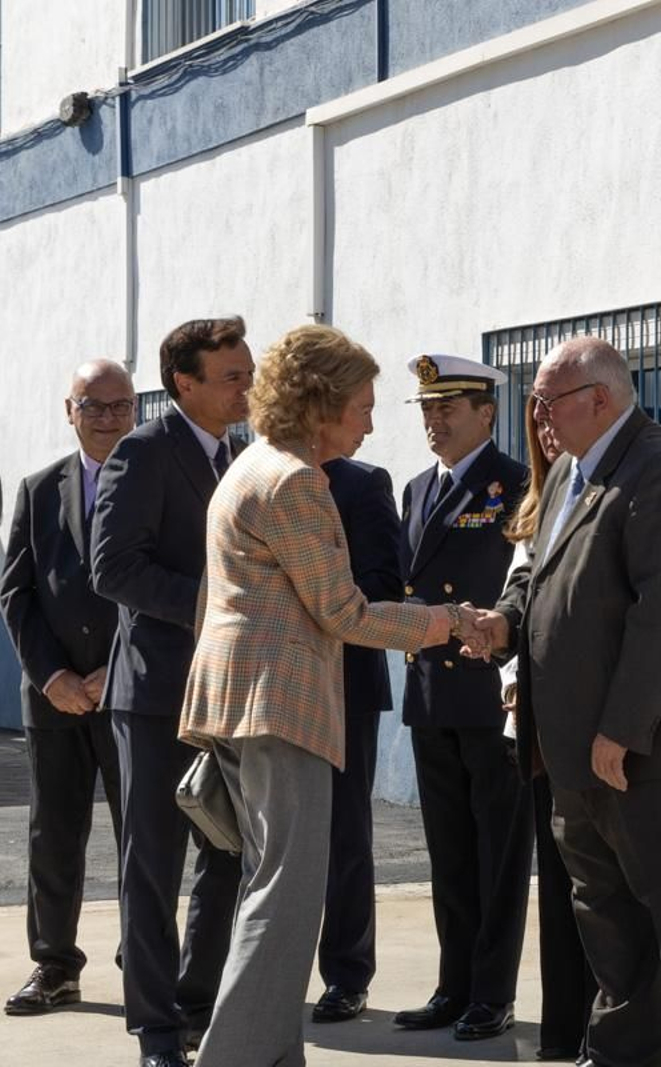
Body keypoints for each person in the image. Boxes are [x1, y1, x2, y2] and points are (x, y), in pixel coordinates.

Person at [178, 324, 461, 1067]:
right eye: (362, 404)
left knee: (276, 891)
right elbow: (344, 611)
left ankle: (272, 1056)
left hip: (249, 704)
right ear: (322, 402)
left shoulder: (249, 466)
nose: (371, 420)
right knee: (285, 897)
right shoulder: (296, 480)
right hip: (281, 705)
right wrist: (447, 621)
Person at [474, 336, 661, 1066]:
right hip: (572, 751)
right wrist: (503, 621)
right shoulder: (569, 471)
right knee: (606, 917)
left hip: (647, 751)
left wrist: (621, 728)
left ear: (600, 398)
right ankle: (623, 1050)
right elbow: (541, 576)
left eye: (548, 400)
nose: (537, 415)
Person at [90, 317, 252, 1067]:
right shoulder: (143, 452)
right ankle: (156, 1031)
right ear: (184, 384)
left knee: (225, 854)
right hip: (156, 696)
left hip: (231, 694)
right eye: (231, 375)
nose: (246, 385)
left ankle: (195, 1000)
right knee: (151, 866)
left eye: (247, 371)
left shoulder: (243, 455)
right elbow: (113, 568)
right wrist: (212, 604)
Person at [394, 353, 532, 1042]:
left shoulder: (517, 485)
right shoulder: (417, 488)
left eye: (447, 407)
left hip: (487, 691)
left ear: (487, 412)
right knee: (448, 851)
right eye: (426, 408)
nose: (434, 419)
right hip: (430, 690)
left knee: (498, 853)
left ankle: (491, 992)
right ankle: (453, 984)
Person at [0, 359, 135, 1016]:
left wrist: (121, 665)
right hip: (54, 699)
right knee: (53, 834)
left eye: (120, 404)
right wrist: (50, 674)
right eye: (93, 405)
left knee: (146, 832)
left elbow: (176, 588)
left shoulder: (161, 482)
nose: (107, 417)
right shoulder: (37, 488)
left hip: (134, 693)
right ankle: (55, 966)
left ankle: (144, 960)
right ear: (69, 409)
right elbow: (17, 592)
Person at [497, 409, 596, 1062]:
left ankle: (607, 1028)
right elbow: (521, 588)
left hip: (594, 720)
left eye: (556, 413)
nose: (548, 430)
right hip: (535, 720)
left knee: (602, 890)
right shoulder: (543, 497)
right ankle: (564, 1031)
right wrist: (506, 661)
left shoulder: (619, 484)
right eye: (537, 421)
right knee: (558, 887)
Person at [309, 453, 406, 1024]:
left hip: (345, 686)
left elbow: (382, 583)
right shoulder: (257, 470)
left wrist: (314, 593)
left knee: (345, 836)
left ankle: (347, 974)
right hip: (277, 685)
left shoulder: (364, 482)